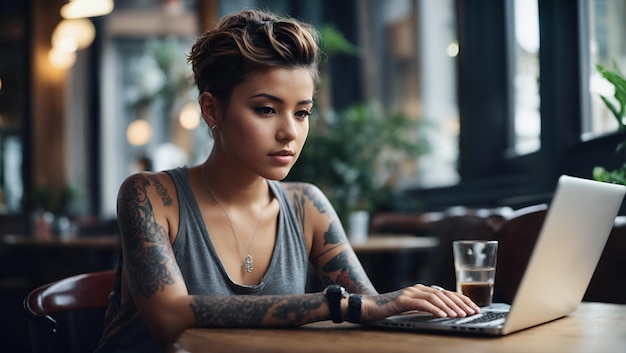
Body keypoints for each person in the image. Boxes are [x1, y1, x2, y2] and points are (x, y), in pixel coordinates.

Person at [95, 8, 479, 352]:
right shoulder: (151, 195)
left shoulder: (305, 205)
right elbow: (169, 319)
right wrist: (339, 305)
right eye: (266, 109)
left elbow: (372, 308)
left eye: (301, 113)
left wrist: (434, 310)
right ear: (212, 108)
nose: (289, 133)